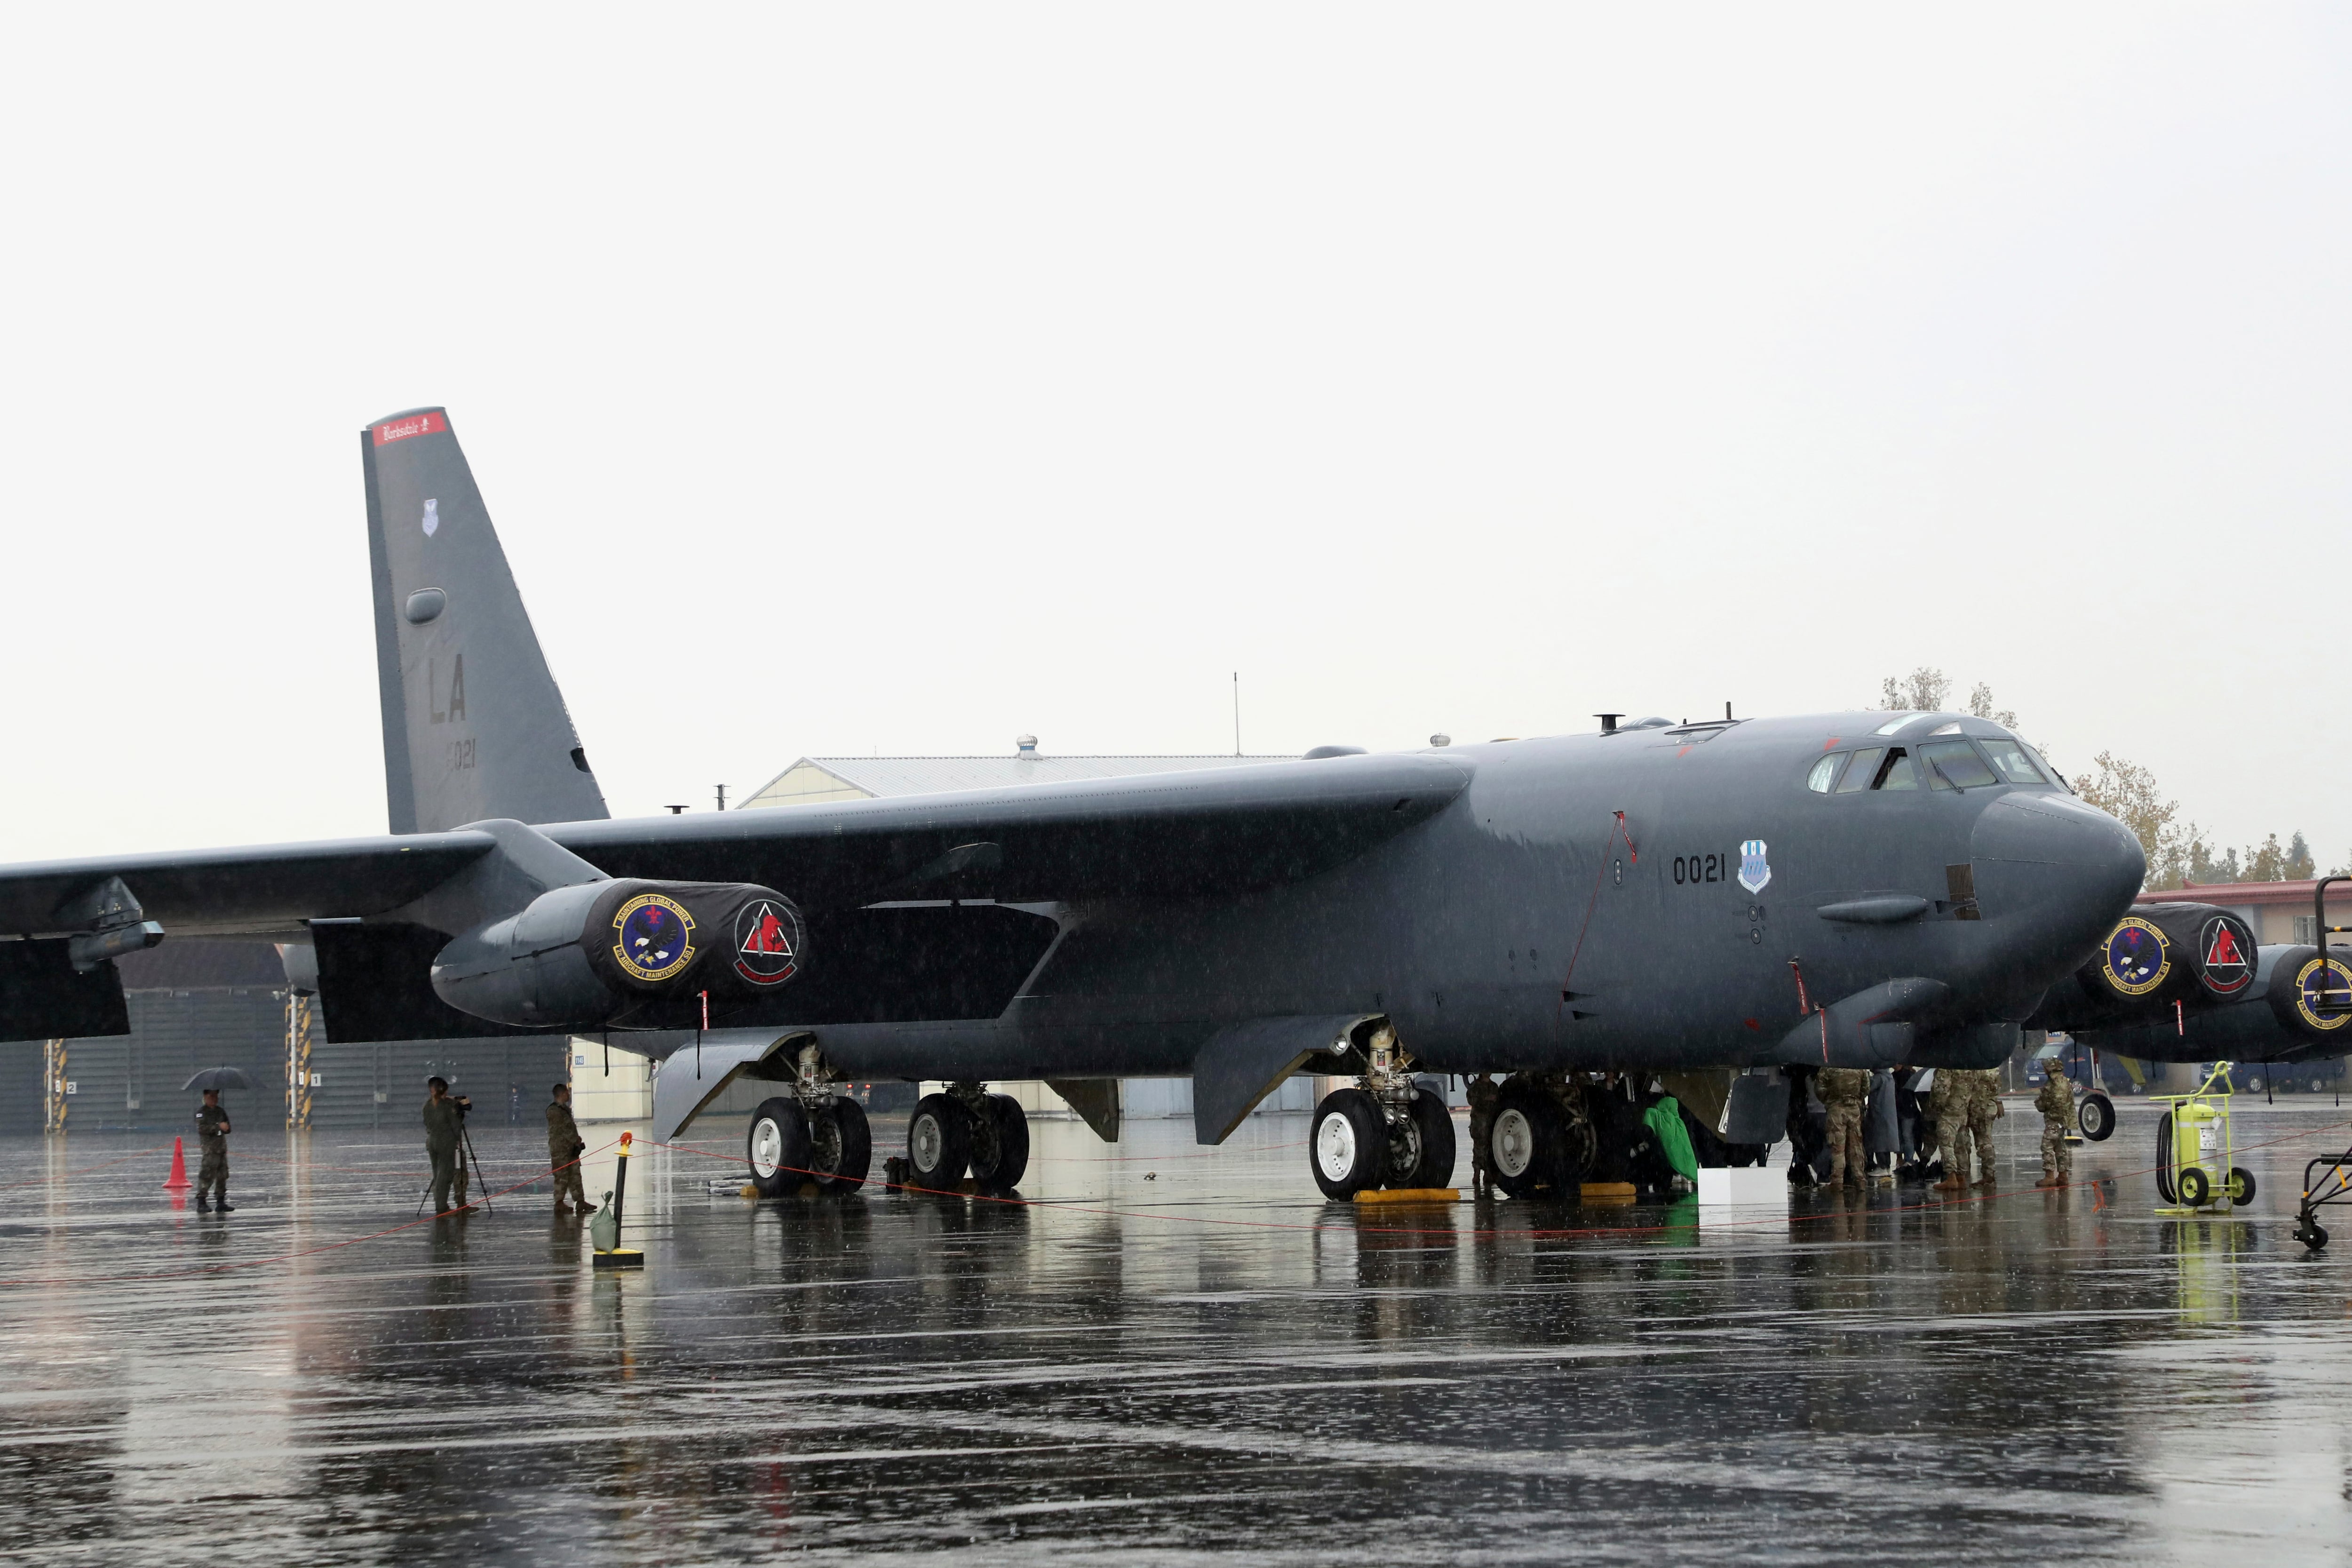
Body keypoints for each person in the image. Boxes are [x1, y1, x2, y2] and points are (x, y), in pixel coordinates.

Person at [423, 1076, 471, 1214]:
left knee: (437, 1174)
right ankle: (442, 1207)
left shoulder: (427, 1105)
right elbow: (456, 1126)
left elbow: (427, 1124)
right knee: (445, 1176)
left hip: (432, 1141)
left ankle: (439, 1203)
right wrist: (457, 1139)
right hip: (446, 1143)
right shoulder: (447, 1106)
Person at [1818, 1066, 1869, 1189]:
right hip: (1854, 1109)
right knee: (1856, 1146)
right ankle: (1860, 1179)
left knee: (1838, 1148)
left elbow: (1819, 1089)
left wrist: (1831, 1100)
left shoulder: (1828, 1067)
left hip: (1836, 1110)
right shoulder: (1859, 1066)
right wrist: (1855, 1099)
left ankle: (1837, 1181)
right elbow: (1866, 1088)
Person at [548, 1082, 589, 1214]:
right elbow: (561, 1130)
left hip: (570, 1149)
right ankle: (559, 1203)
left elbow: (569, 1128)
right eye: (567, 1092)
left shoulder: (564, 1110)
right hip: (560, 1150)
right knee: (561, 1176)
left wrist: (576, 1141)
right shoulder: (553, 1111)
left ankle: (580, 1201)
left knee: (575, 1175)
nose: (569, 1095)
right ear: (561, 1094)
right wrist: (574, 1140)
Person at [2035, 1059, 2076, 1188]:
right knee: (2060, 1147)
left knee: (2046, 1146)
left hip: (2053, 1120)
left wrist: (2038, 1103)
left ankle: (2050, 1176)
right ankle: (2063, 1176)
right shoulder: (2066, 1082)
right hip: (2063, 1121)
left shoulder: (2051, 1085)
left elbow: (2043, 1105)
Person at [1931, 1068, 1970, 1194]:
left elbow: (1941, 1090)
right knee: (1961, 1145)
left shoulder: (1946, 1067)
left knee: (1947, 1144)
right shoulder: (1969, 1066)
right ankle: (1962, 1178)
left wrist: (1938, 1106)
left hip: (1949, 1112)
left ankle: (1951, 1177)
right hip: (1962, 1110)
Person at [195, 1088, 233, 1214]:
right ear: (205, 1097)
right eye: (211, 1097)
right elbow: (202, 1129)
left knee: (223, 1175)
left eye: (216, 1097)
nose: (214, 1100)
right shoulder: (202, 1113)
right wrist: (218, 1127)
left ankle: (221, 1201)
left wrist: (225, 1128)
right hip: (210, 1150)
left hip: (221, 1148)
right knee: (207, 1175)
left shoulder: (221, 1111)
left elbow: (228, 1128)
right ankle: (202, 1201)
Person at [1964, 1067, 2002, 1188]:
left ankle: (1988, 1177)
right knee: (1985, 1142)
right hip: (1987, 1106)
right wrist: (1997, 1101)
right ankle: (1988, 1175)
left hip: (1980, 1109)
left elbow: (1971, 1087)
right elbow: (1996, 1087)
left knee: (1984, 1143)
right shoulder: (1993, 1068)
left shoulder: (1975, 1068)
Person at [1465, 1074, 1500, 1196]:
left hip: (1490, 1122)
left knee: (1490, 1147)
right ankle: (1477, 1173)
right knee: (1479, 1147)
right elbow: (1471, 1100)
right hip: (1479, 1121)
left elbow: (1498, 1101)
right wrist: (1486, 1098)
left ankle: (1488, 1173)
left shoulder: (1494, 1086)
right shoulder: (1476, 1086)